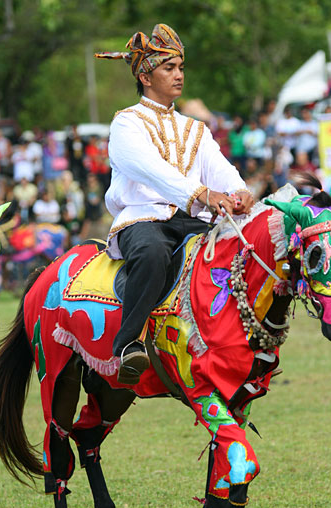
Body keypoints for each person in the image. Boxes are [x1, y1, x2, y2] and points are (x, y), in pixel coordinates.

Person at [95, 23, 253, 383]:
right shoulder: (126, 123)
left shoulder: (196, 128)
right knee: (151, 253)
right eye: (169, 68)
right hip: (143, 220)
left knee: (234, 252)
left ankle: (237, 341)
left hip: (193, 221)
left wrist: (240, 192)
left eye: (181, 67)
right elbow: (151, 171)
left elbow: (219, 169)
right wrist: (201, 195)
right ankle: (127, 345)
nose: (179, 75)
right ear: (146, 76)